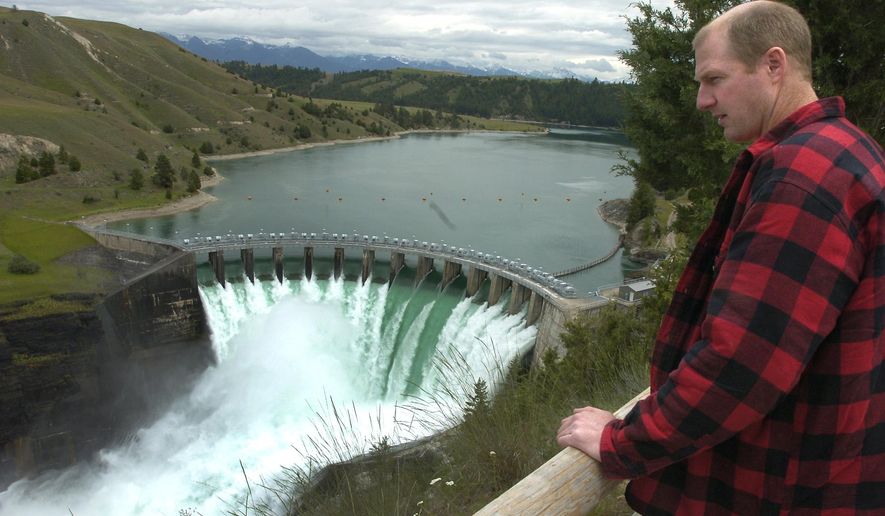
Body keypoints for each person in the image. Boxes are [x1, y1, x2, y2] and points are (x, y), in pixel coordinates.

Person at [557, 1, 885, 513]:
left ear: (773, 65)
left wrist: (622, 441)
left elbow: (744, 360)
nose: (702, 101)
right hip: (826, 468)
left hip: (785, 487)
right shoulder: (849, 149)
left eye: (714, 80)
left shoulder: (803, 177)